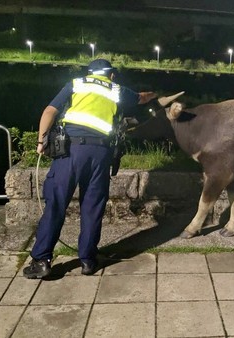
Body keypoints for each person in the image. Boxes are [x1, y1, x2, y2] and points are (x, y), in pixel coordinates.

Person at [23, 59, 156, 278]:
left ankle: (42, 261)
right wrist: (154, 95)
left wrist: (41, 143)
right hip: (100, 154)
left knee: (56, 203)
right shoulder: (116, 89)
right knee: (92, 207)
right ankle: (87, 260)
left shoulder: (76, 83)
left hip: (70, 152)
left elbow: (49, 112)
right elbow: (141, 98)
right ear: (111, 75)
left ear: (91, 72)